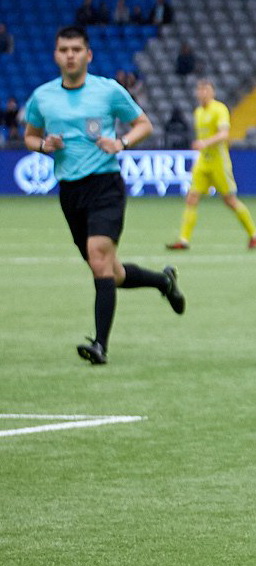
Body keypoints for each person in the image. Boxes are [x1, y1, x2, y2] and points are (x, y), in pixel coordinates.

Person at [22, 26, 185, 364]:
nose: (70, 55)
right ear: (55, 55)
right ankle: (163, 282)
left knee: (98, 259)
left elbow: (144, 124)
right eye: (64, 50)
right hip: (70, 191)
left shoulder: (108, 90)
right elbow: (30, 136)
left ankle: (100, 346)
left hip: (105, 185)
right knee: (110, 271)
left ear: (88, 55)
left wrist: (121, 143)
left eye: (76, 49)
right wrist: (43, 145)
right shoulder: (42, 97)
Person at [166, 78, 256, 251]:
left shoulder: (219, 109)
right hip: (203, 161)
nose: (202, 93)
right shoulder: (198, 112)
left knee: (230, 201)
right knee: (191, 198)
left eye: (206, 90)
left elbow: (224, 134)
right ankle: (184, 240)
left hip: (219, 162)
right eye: (200, 90)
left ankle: (254, 234)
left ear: (212, 92)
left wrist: (205, 143)